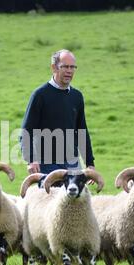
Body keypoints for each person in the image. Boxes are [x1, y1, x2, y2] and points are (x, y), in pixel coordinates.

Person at [20, 49, 95, 177]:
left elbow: (82, 130)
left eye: (72, 67)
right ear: (54, 67)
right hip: (46, 163)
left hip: (71, 161)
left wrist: (89, 162)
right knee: (51, 197)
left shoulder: (76, 96)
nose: (69, 71)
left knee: (77, 196)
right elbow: (26, 130)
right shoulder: (40, 95)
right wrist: (31, 159)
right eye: (65, 66)